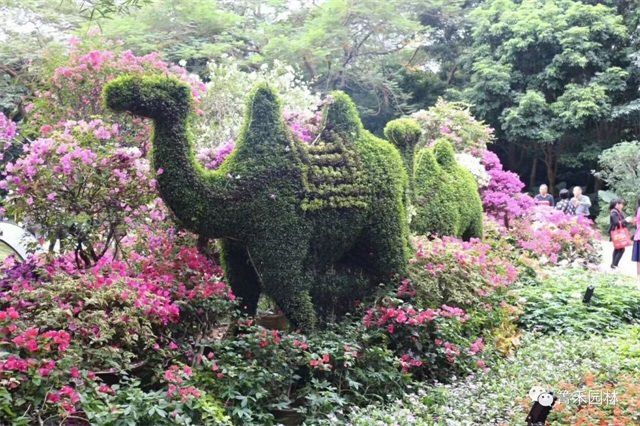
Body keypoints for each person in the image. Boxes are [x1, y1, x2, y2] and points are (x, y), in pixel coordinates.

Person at [608, 198, 628, 269]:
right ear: (617, 204)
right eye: (621, 204)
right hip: (617, 233)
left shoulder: (617, 212)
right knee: (621, 249)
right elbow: (616, 222)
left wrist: (626, 221)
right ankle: (614, 265)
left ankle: (613, 265)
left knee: (617, 248)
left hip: (617, 233)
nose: (622, 205)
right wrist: (625, 220)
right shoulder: (614, 212)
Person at [631, 198, 640, 279]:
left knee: (638, 258)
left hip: (638, 236)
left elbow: (634, 222)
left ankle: (638, 275)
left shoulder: (638, 209)